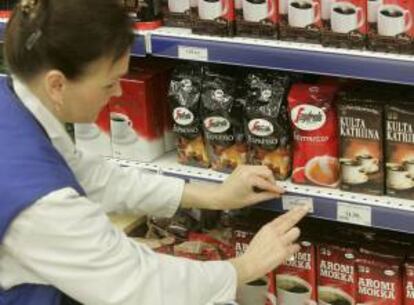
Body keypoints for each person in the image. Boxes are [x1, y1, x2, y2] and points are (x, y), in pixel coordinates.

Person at [0, 0, 309, 305]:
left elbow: (88, 176)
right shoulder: (40, 205)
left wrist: (214, 196)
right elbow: (138, 285)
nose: (120, 93)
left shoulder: (13, 100)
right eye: (110, 84)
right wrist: (245, 267)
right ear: (57, 85)